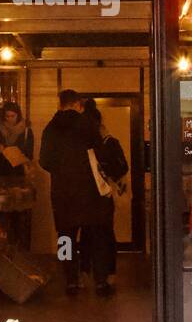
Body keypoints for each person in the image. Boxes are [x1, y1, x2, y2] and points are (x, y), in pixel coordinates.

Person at [38, 89, 109, 297]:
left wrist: (61, 170)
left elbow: (44, 161)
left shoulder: (50, 128)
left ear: (60, 104)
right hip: (89, 191)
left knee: (65, 237)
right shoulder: (87, 125)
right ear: (78, 104)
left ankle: (70, 279)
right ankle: (100, 281)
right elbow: (101, 154)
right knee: (96, 236)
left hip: (62, 192)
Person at [82, 97, 128, 296]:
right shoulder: (109, 142)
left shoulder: (80, 145)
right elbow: (122, 168)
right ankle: (107, 274)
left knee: (78, 235)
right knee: (105, 234)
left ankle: (78, 273)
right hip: (104, 194)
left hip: (81, 195)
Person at [0, 101, 34, 187]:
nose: (10, 119)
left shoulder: (26, 131)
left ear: (18, 116)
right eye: (7, 116)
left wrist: (19, 156)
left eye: (13, 116)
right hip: (1, 171)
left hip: (19, 172)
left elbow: (29, 153)